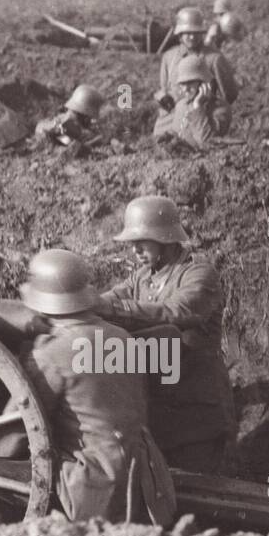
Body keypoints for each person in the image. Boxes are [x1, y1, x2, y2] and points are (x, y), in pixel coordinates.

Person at [0, 250, 175, 524]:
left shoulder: (51, 354)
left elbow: (15, 438)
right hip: (145, 479)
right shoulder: (123, 338)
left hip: (91, 485)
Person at [95, 196, 235, 473]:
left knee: (199, 492)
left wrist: (112, 307)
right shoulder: (142, 276)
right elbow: (110, 299)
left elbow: (177, 312)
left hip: (196, 409)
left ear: (166, 238)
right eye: (132, 243)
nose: (134, 250)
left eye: (142, 242)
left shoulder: (197, 274)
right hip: (157, 406)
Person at [154, 7, 238, 140]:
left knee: (200, 143)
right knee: (161, 144)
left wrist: (207, 105)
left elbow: (230, 95)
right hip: (171, 118)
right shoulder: (169, 57)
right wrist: (163, 96)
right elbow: (163, 87)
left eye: (196, 32)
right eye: (187, 32)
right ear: (180, 33)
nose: (192, 37)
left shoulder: (214, 58)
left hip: (200, 116)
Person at [157, 55, 221, 150]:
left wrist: (198, 106)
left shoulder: (219, 109)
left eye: (190, 83)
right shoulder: (181, 105)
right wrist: (168, 135)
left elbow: (207, 143)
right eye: (182, 84)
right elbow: (178, 131)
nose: (186, 89)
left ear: (203, 83)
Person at [34, 85, 104, 147]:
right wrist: (94, 142)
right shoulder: (65, 125)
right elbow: (71, 145)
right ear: (84, 113)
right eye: (89, 116)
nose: (91, 119)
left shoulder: (68, 121)